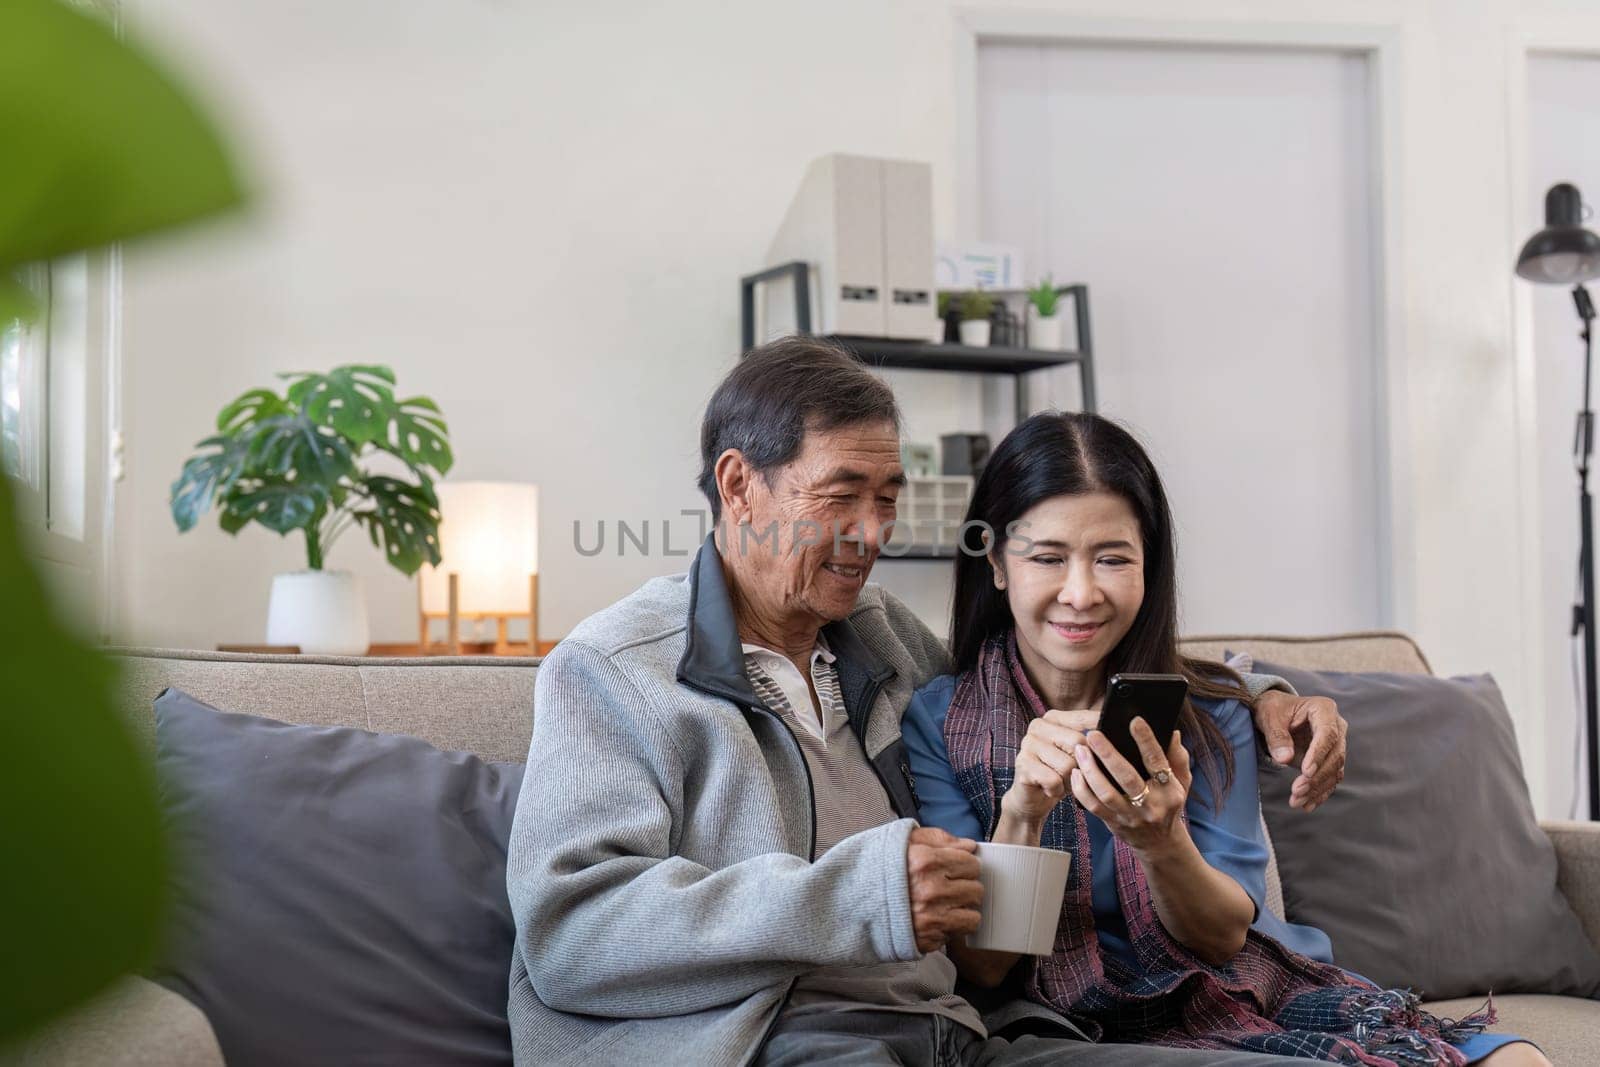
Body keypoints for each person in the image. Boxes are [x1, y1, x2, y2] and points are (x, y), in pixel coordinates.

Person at [507, 337, 1349, 1065]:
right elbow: (569, 935)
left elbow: (1052, 658)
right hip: (770, 1040)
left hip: (960, 1034)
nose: (875, 533)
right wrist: (860, 897)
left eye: (888, 497)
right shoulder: (613, 670)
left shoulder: (880, 637)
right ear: (738, 486)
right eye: (841, 495)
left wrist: (1259, 692)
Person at [901, 411, 1544, 1066]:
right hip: (1073, 1023)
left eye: (1113, 558)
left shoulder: (1208, 709)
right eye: (1047, 557)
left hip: (1247, 991)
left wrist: (1161, 840)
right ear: (999, 567)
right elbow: (984, 966)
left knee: (1515, 1059)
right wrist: (1021, 813)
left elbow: (1223, 935)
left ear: (1149, 567)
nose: (1080, 591)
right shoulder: (941, 720)